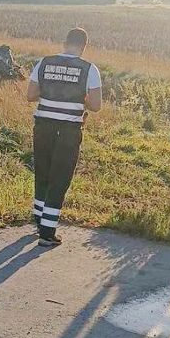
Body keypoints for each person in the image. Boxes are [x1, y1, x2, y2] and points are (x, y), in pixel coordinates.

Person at [27, 27, 102, 247]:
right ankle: (48, 233)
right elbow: (96, 106)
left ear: (65, 42)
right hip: (68, 130)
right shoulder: (89, 69)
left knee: (43, 172)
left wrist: (51, 90)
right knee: (59, 179)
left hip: (43, 126)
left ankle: (39, 221)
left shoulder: (44, 62)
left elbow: (30, 95)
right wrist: (81, 97)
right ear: (84, 46)